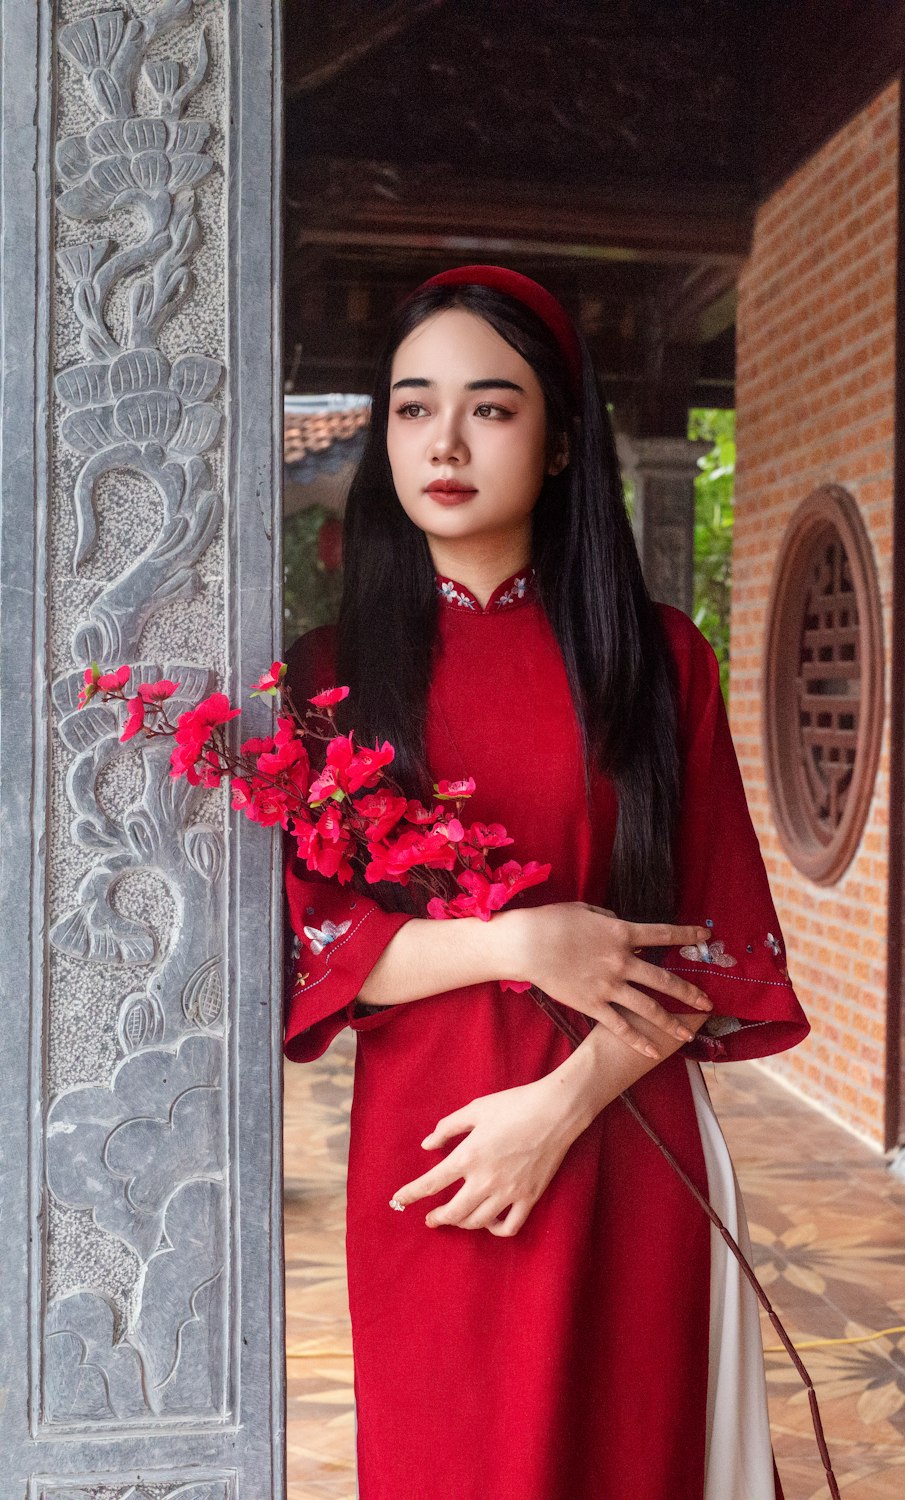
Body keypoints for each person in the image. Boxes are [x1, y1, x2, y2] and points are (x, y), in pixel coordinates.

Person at [283, 265, 810, 1500]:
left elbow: (715, 946)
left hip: (624, 1137)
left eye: (492, 407)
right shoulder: (326, 674)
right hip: (436, 1161)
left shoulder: (655, 658)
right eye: (412, 409)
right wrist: (524, 944)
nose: (444, 442)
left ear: (564, 438)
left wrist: (560, 1106)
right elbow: (316, 947)